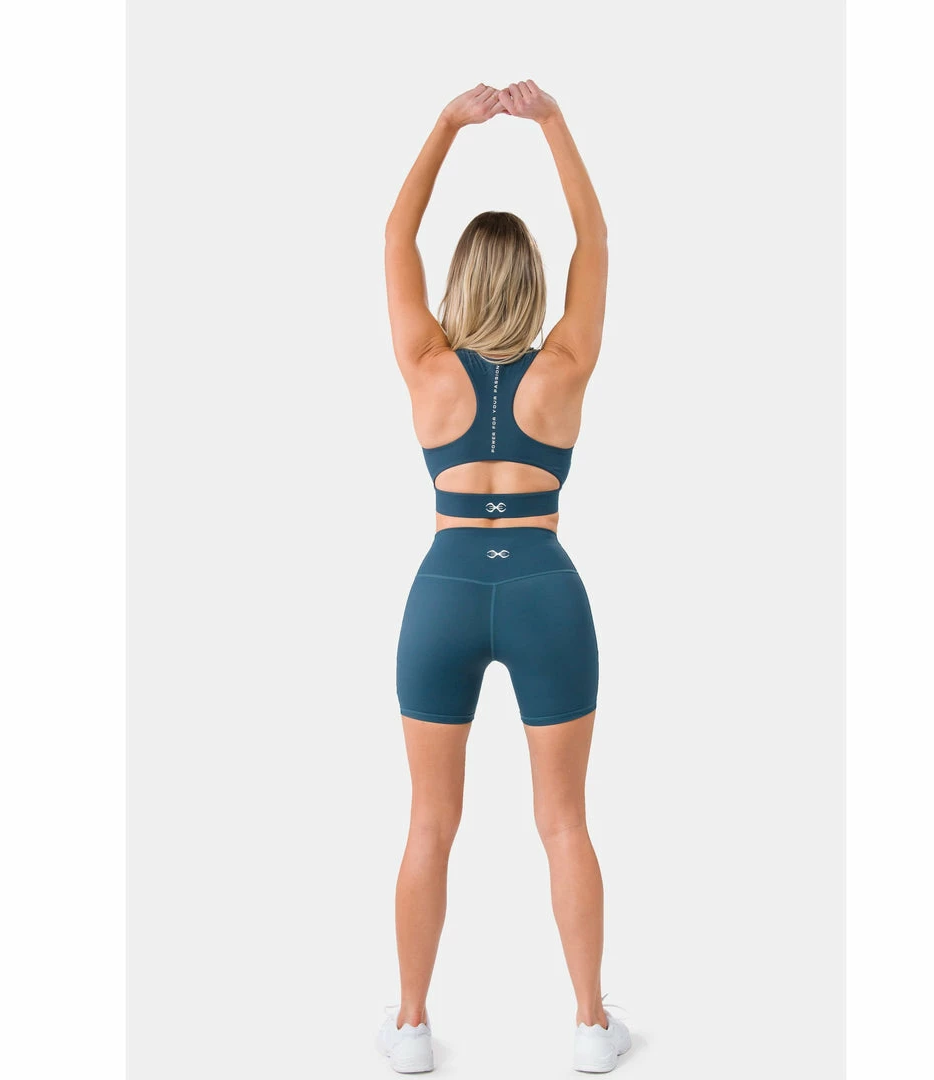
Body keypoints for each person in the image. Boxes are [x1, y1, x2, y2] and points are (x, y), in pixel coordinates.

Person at [376, 80, 631, 1075]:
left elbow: (396, 235)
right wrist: (553, 124)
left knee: (429, 823)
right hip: (543, 592)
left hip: (443, 592)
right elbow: (593, 236)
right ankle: (590, 1027)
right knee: (563, 822)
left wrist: (446, 126)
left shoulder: (425, 365)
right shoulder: (566, 362)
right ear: (530, 282)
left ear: (462, 280)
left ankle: (410, 1027)